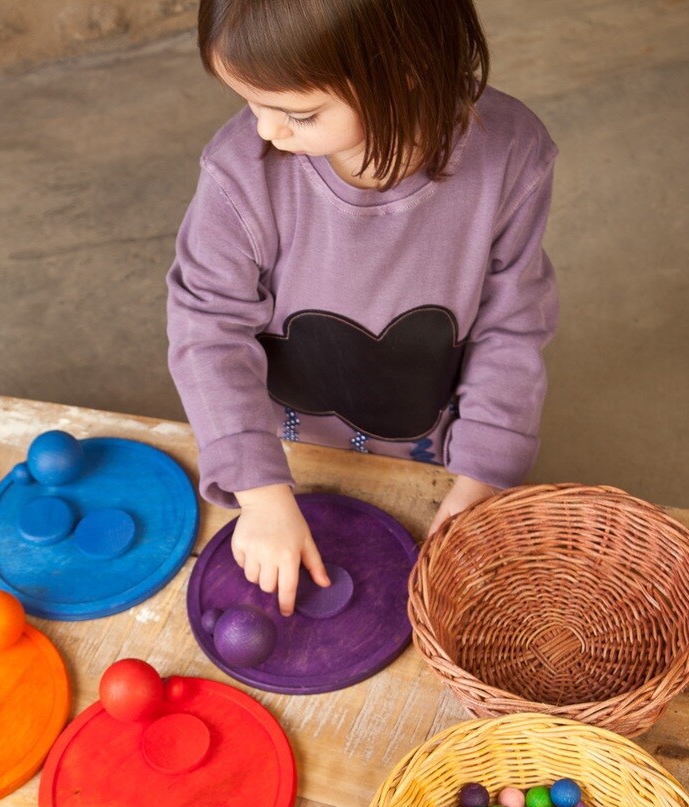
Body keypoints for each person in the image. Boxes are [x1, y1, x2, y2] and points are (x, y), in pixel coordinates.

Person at [167, 0, 558, 616]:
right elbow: (206, 328)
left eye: (298, 113)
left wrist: (486, 468)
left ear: (405, 70)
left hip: (433, 447)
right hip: (284, 452)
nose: (266, 131)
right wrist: (262, 494)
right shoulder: (242, 172)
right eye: (250, 102)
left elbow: (512, 321)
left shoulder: (511, 155)